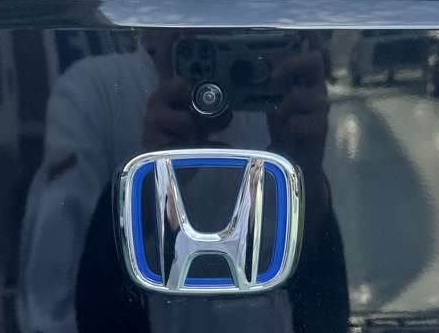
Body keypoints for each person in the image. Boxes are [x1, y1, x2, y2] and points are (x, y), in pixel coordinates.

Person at [18, 29, 349, 333]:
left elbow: (319, 294)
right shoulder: (96, 90)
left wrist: (307, 181)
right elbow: (54, 291)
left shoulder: (284, 88)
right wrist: (147, 190)